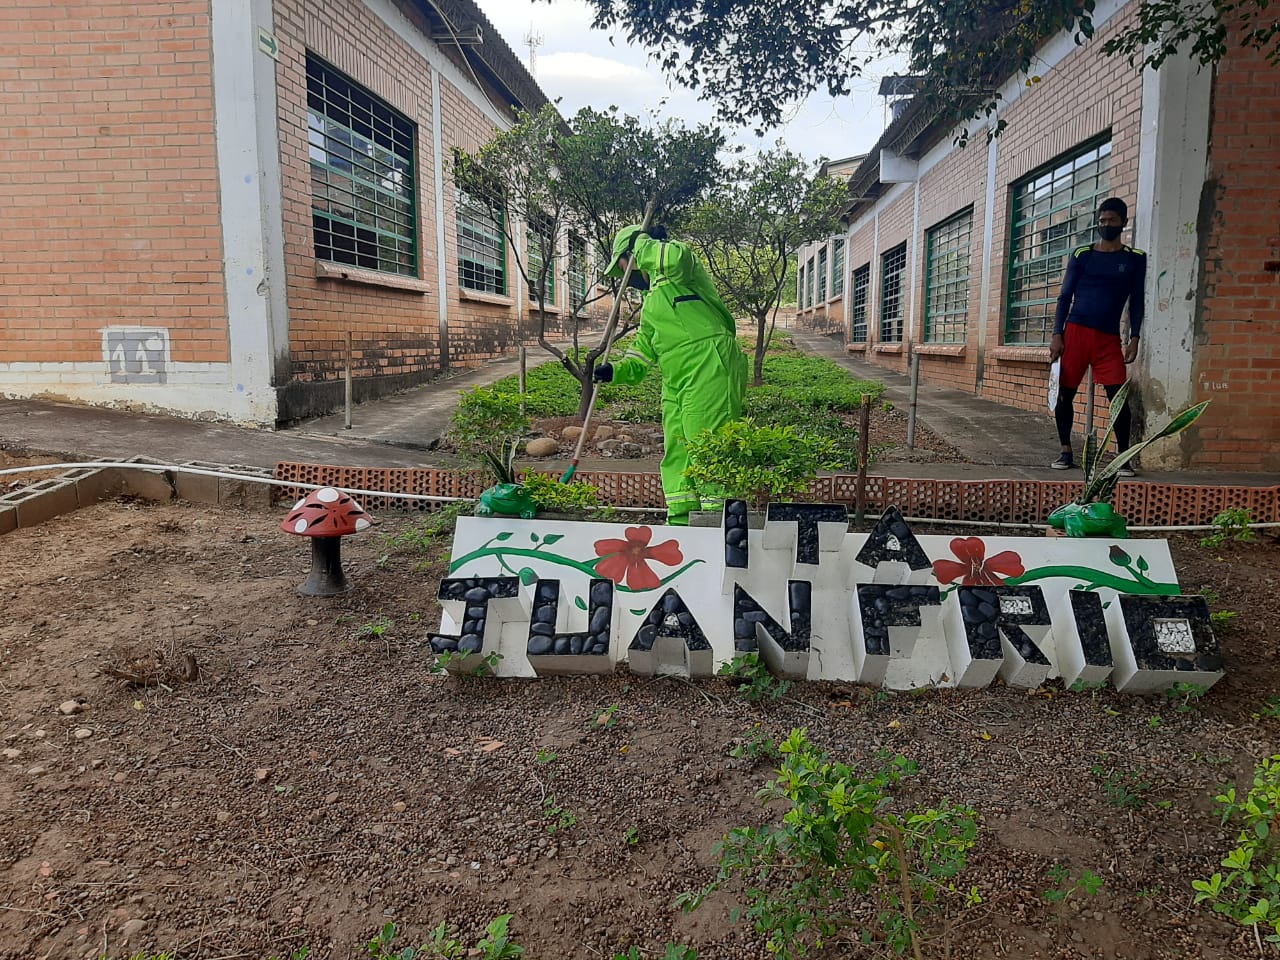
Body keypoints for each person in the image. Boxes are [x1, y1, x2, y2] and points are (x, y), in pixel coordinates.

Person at [593, 224, 748, 525]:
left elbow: (675, 258)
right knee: (677, 449)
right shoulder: (651, 303)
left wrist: (643, 244)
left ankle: (718, 522)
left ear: (633, 254)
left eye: (622, 264)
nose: (623, 274)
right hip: (676, 379)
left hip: (709, 364)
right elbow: (641, 355)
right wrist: (614, 371)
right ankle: (680, 518)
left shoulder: (681, 267)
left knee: (708, 444)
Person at [1049, 197, 1146, 476]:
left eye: (1111, 220)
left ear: (1123, 223)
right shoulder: (1082, 255)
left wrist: (1135, 336)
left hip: (1108, 339)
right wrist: (1058, 333)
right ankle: (1066, 451)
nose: (1106, 225)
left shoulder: (1134, 259)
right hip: (1076, 333)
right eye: (1102, 221)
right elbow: (1065, 296)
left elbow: (1136, 300)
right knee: (1064, 396)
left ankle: (1123, 458)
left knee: (1118, 398)